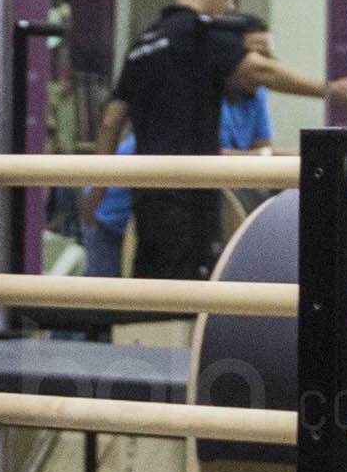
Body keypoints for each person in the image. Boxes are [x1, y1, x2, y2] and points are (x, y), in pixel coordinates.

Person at [84, 0, 347, 280]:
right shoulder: (199, 33)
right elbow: (261, 71)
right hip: (190, 196)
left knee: (152, 298)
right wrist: (330, 90)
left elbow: (110, 121)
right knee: (189, 297)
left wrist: (95, 189)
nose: (229, 5)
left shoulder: (143, 44)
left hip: (148, 198)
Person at [81, 15, 275, 277]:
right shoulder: (201, 92)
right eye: (255, 54)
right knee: (105, 301)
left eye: (267, 54)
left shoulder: (255, 95)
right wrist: (96, 189)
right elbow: (217, 154)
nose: (262, 63)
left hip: (166, 205)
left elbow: (263, 150)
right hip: (116, 207)